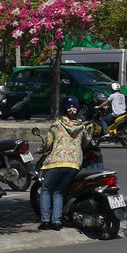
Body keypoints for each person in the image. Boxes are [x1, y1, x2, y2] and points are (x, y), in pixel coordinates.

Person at [37, 95, 89, 230]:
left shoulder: (57, 124)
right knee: (59, 191)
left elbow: (48, 144)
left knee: (46, 189)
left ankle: (45, 221)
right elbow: (87, 141)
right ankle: (57, 221)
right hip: (74, 164)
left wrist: (40, 150)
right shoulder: (81, 125)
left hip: (56, 162)